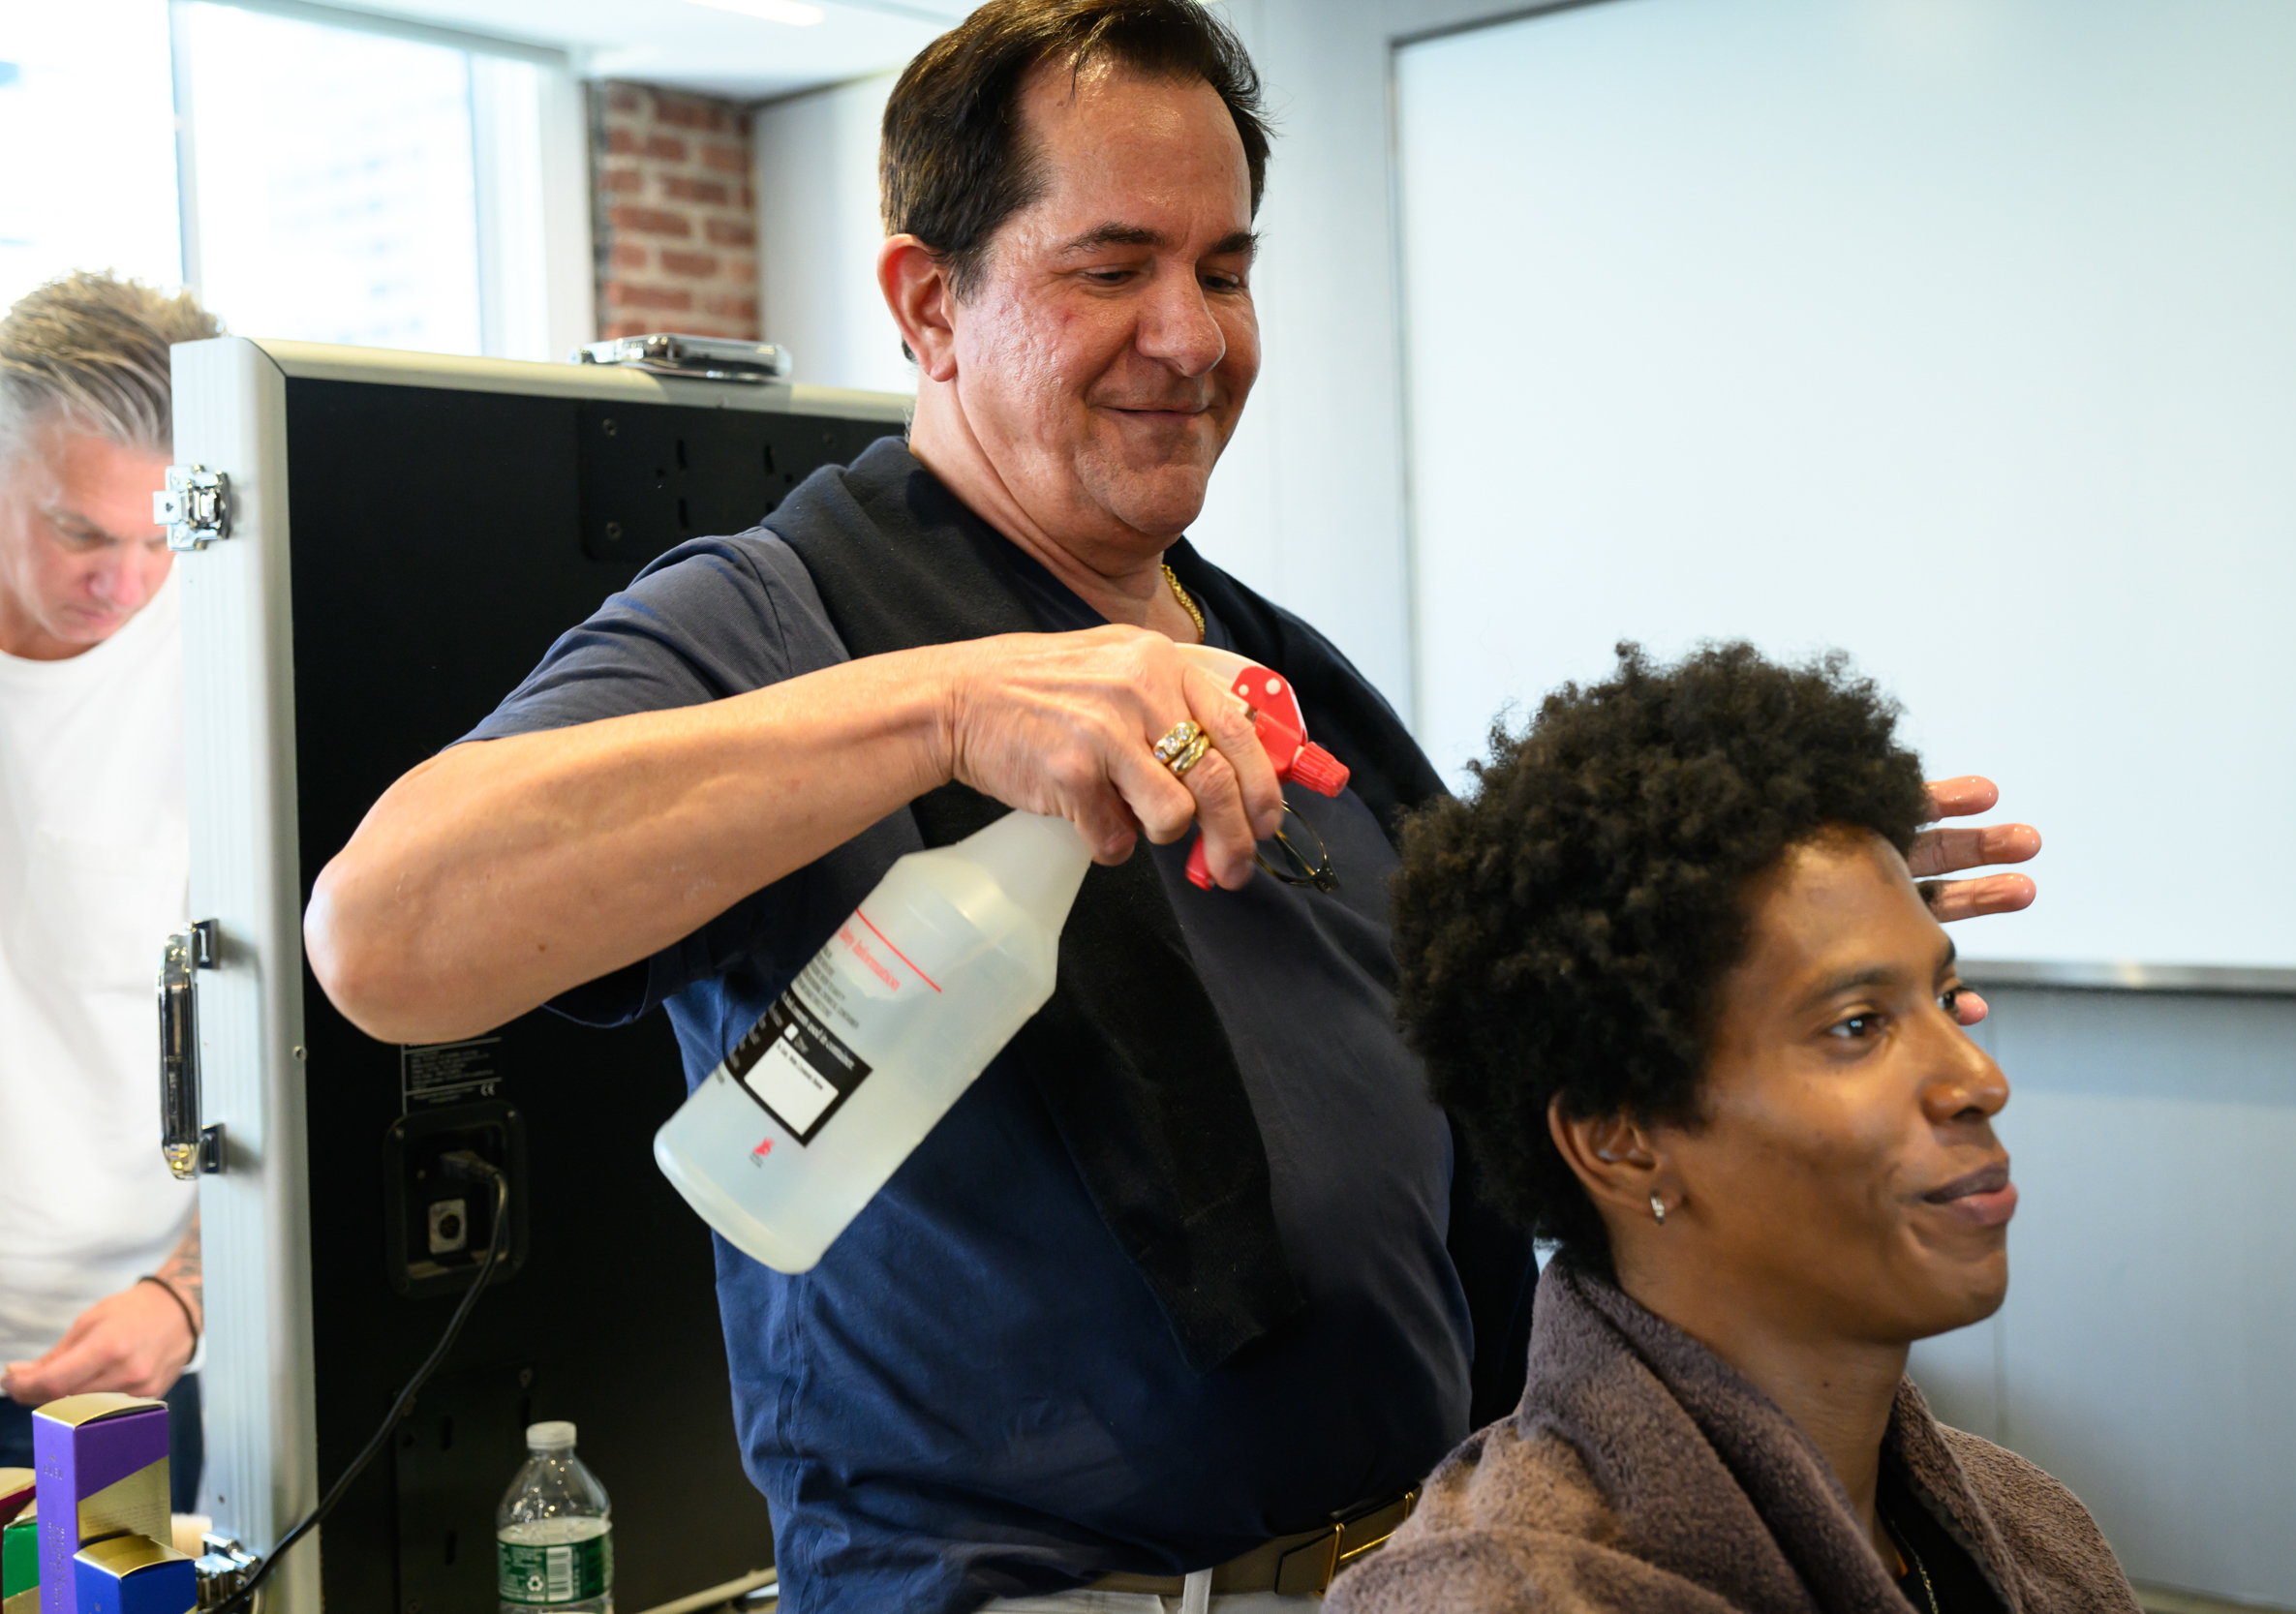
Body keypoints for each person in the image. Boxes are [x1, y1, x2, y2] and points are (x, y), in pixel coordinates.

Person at [302, 4, 2037, 1609]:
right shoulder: (771, 623)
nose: (1190, 336)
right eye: (1112, 268)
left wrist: (1782, 917)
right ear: (927, 302)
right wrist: (952, 702)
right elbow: (383, 934)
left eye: (1225, 265)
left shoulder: (1285, 670)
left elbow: (1500, 1033)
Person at [1328, 644, 2128, 1614]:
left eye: (1944, 993)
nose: (1978, 1079)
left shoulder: (2036, 1525)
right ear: (1621, 1139)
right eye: (1855, 1025)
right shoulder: (1503, 1595)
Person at [0, 272, 223, 1511]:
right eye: (81, 532)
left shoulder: (219, 666)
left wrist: (186, 1296)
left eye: (160, 536)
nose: (128, 580)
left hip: (119, 1357)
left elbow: (292, 1045)